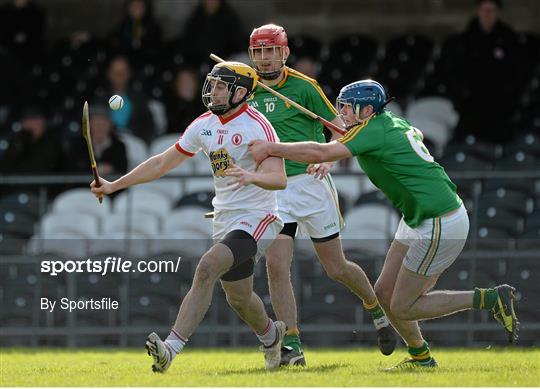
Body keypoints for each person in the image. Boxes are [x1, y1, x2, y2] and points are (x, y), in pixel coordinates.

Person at [249, 79, 519, 369]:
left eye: (348, 108)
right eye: (340, 106)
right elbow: (410, 133)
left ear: (367, 110)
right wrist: (332, 154)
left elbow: (319, 152)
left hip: (439, 221)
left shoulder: (372, 130)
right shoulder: (386, 122)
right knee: (384, 293)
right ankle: (421, 358)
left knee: (403, 305)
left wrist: (272, 148)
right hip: (419, 217)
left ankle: (490, 299)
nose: (342, 113)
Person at [90, 62, 288, 372]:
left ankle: (170, 349)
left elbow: (279, 180)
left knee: (207, 266)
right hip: (225, 218)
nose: (213, 91)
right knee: (239, 298)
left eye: (221, 86)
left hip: (258, 216)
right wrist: (115, 185)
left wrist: (251, 177)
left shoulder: (257, 126)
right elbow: (161, 163)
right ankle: (272, 335)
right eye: (212, 84)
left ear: (240, 92)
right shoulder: (203, 124)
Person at [247, 24, 396, 366]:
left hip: (311, 185)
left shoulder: (305, 87)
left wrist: (328, 159)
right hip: (277, 188)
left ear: (285, 53)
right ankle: (293, 346)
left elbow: (340, 128)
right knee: (276, 266)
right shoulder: (249, 90)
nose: (265, 58)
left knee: (336, 267)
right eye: (259, 51)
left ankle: (376, 311)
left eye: (271, 51)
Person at [449, 0, 522, 143]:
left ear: (498, 12)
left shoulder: (509, 39)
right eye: (484, 10)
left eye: (491, 10)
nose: (487, 14)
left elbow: (518, 72)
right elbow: (454, 72)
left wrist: (507, 95)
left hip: (501, 108)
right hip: (470, 106)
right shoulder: (465, 41)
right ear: (478, 11)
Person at [103, 55, 156, 143]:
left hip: (135, 144)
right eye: (115, 72)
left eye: (122, 72)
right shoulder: (101, 100)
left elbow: (149, 127)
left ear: (129, 74)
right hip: (108, 144)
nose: (119, 76)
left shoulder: (139, 99)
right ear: (109, 74)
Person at [65, 106, 127, 175]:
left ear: (110, 126)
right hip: (84, 185)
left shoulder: (119, 146)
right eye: (96, 124)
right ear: (89, 126)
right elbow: (72, 170)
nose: (99, 128)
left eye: (103, 124)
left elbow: (122, 170)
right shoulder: (78, 145)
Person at [0, 108, 63, 174]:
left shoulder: (51, 142)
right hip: (18, 180)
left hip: (42, 181)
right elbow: (5, 165)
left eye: (29, 120)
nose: (23, 124)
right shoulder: (19, 141)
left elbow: (42, 166)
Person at [164, 67, 205, 134]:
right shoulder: (169, 106)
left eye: (188, 81)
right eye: (181, 82)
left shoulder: (206, 105)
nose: (185, 85)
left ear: (195, 83)